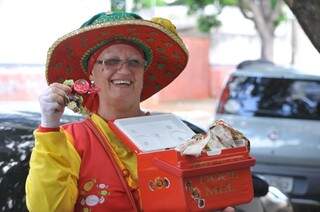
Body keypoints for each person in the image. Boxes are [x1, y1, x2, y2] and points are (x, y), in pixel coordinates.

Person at [25, 11, 235, 212]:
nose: (124, 70)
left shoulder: (176, 134)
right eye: (111, 61)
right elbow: (48, 208)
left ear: (144, 72)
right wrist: (49, 125)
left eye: (134, 62)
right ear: (91, 74)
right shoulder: (70, 140)